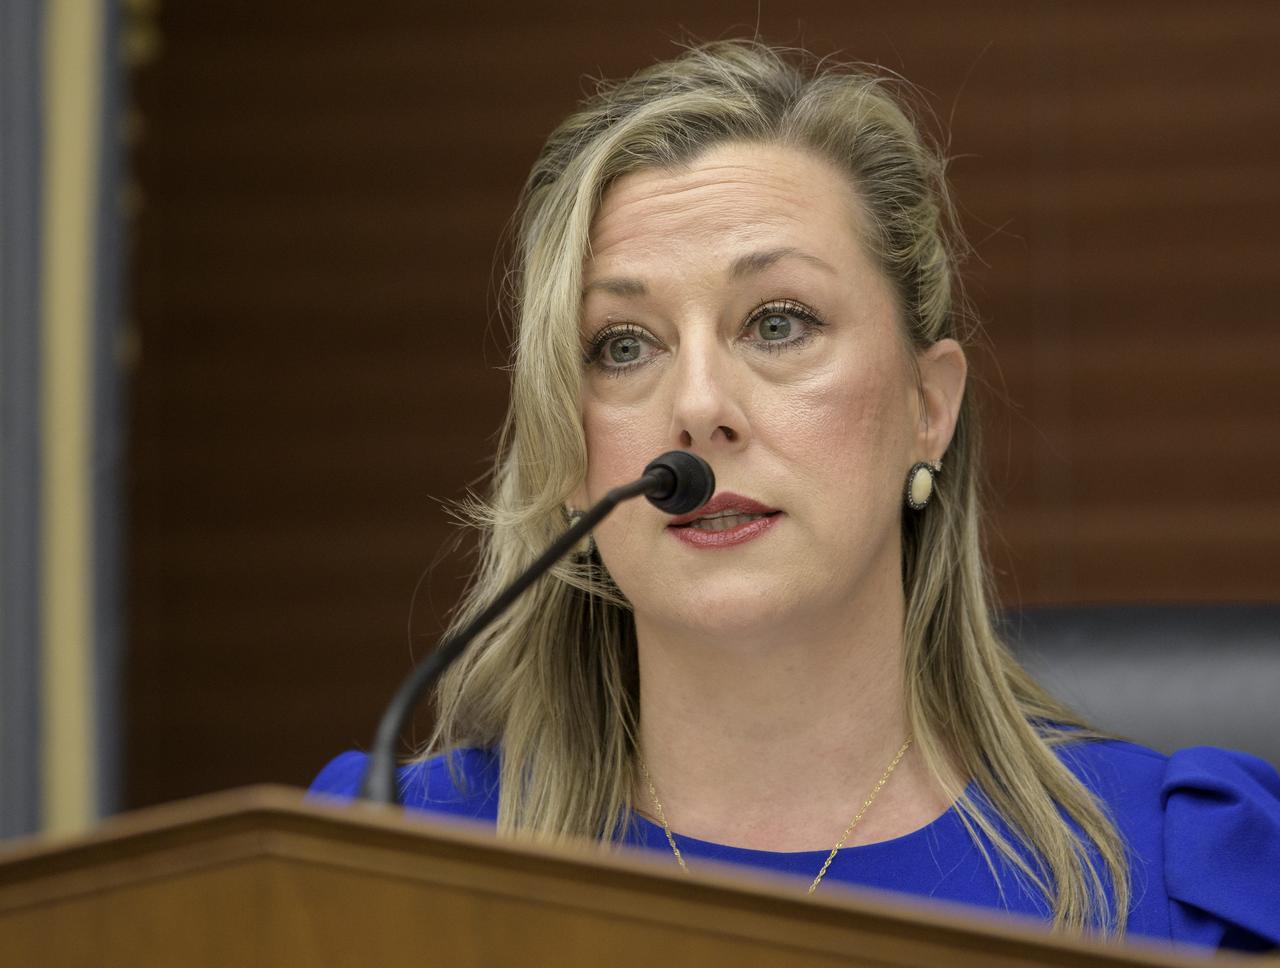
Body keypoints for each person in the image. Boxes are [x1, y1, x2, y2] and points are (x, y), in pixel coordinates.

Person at [310, 41, 1280, 951]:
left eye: (776, 323)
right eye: (622, 344)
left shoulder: (1179, 889)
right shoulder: (387, 864)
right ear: (571, 456)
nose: (695, 407)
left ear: (925, 407)